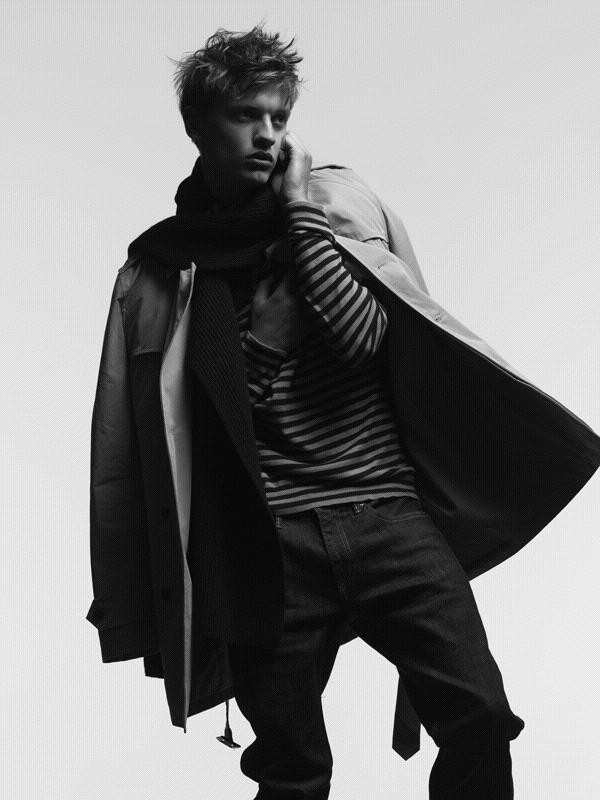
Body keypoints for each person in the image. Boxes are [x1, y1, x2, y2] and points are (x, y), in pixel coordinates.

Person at [86, 24, 600, 800]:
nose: (267, 135)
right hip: (267, 545)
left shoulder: (336, 208)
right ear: (196, 126)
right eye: (245, 116)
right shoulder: (158, 272)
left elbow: (365, 340)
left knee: (480, 719)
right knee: (291, 770)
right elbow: (182, 438)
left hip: (386, 517)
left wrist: (299, 215)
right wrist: (265, 346)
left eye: (278, 117)